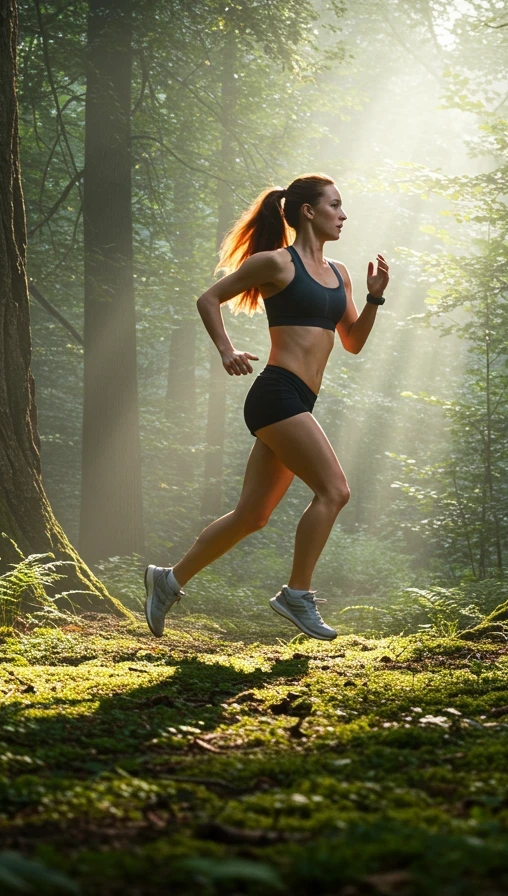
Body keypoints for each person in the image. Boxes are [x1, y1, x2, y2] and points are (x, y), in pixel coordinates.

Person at [143, 174, 390, 640]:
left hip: (299, 400)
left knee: (252, 515)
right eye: (335, 205)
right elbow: (209, 298)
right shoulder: (277, 263)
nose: (343, 214)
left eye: (343, 207)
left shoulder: (340, 274)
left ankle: (167, 580)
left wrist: (375, 295)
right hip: (276, 394)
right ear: (308, 212)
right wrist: (226, 349)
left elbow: (353, 341)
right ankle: (297, 595)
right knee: (335, 491)